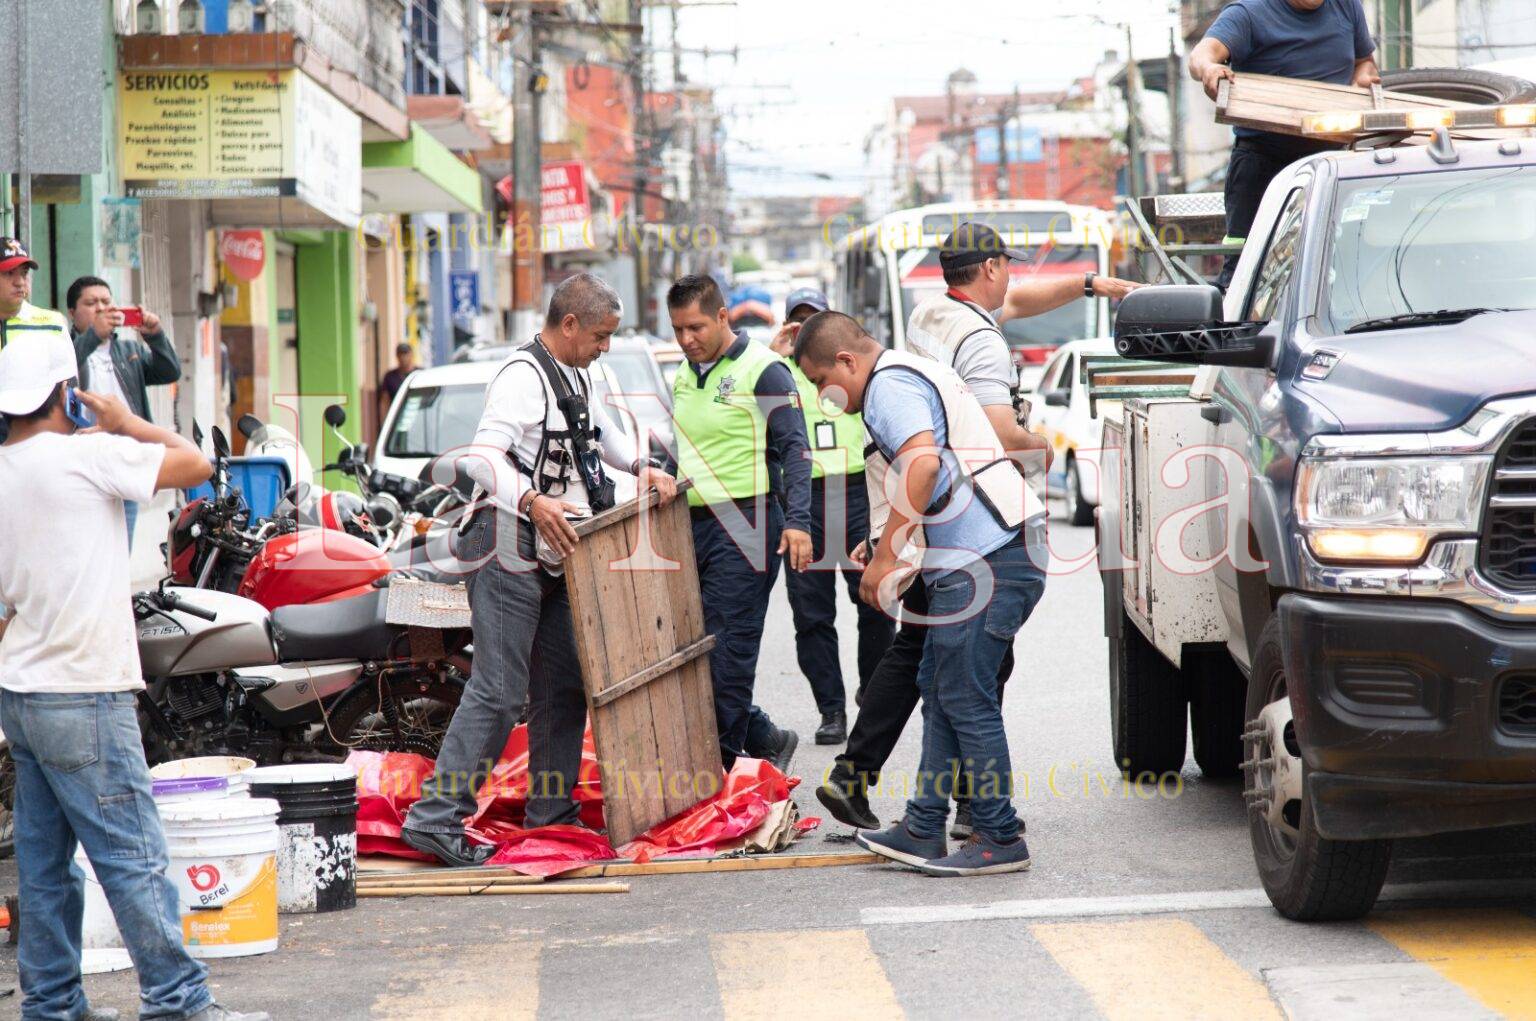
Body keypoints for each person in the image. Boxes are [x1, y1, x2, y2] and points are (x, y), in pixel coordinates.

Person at [817, 222, 1135, 837]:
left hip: (932, 512)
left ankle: (909, 804)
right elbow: (995, 432)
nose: (1013, 279)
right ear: (989, 268)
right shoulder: (982, 347)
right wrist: (1046, 447)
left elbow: (1021, 301)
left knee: (940, 669)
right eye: (1007, 267)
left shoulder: (933, 315)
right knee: (966, 679)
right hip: (970, 519)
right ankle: (982, 818)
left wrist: (1091, 283)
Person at [0, 332, 266, 1021]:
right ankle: (178, 1002)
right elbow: (197, 463)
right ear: (67, 394)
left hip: (24, 694)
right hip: (84, 690)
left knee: (45, 864)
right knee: (133, 856)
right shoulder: (88, 453)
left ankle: (53, 1004)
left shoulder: (4, 470)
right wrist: (123, 420)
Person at [401, 273, 678, 867]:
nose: (607, 347)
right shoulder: (522, 377)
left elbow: (599, 437)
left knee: (563, 683)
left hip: (556, 544)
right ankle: (434, 819)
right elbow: (480, 459)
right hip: (505, 538)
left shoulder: (578, 372)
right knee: (500, 690)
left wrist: (644, 467)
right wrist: (530, 501)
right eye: (601, 336)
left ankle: (551, 810)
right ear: (569, 324)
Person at [794, 312, 1048, 876]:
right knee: (940, 688)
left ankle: (999, 836)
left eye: (820, 383)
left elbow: (924, 465)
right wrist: (880, 540)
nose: (824, 398)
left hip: (990, 556)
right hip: (985, 555)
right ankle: (923, 826)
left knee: (965, 697)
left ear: (847, 362)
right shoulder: (905, 372)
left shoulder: (887, 384)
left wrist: (887, 557)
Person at [669, 274, 810, 771]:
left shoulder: (764, 370)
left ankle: (719, 771)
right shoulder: (685, 373)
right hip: (691, 526)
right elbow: (687, 449)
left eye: (696, 327)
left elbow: (795, 447)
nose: (687, 339)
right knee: (697, 648)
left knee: (728, 649)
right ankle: (767, 740)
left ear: (723, 316)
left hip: (748, 524)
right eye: (678, 330)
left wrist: (799, 521)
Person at [768, 287, 893, 745]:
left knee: (875, 602)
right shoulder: (779, 373)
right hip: (806, 500)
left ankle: (874, 694)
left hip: (860, 490)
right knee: (811, 613)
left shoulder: (846, 366)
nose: (805, 329)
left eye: (813, 320)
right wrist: (773, 354)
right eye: (796, 321)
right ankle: (831, 709)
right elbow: (746, 414)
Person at [1188, 0, 1378, 288]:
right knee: (1245, 272)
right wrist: (1210, 69)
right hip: (1262, 162)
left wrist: (1363, 76)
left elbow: (1364, 60)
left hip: (1331, 162)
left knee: (1337, 267)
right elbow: (1202, 54)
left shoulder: (1346, 5)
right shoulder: (1248, 13)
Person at [67, 275, 181, 547]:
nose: (101, 308)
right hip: (83, 459)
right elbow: (65, 371)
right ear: (73, 313)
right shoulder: (66, 349)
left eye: (106, 302)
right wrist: (93, 335)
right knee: (86, 544)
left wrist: (155, 336)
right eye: (91, 303)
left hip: (126, 459)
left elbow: (169, 371)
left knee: (121, 546)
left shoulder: (129, 350)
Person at [379, 341, 416, 423]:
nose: (403, 357)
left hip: (418, 417)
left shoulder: (419, 374)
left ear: (411, 354)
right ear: (397, 356)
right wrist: (385, 422)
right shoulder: (390, 377)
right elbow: (385, 401)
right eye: (400, 354)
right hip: (397, 420)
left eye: (405, 353)